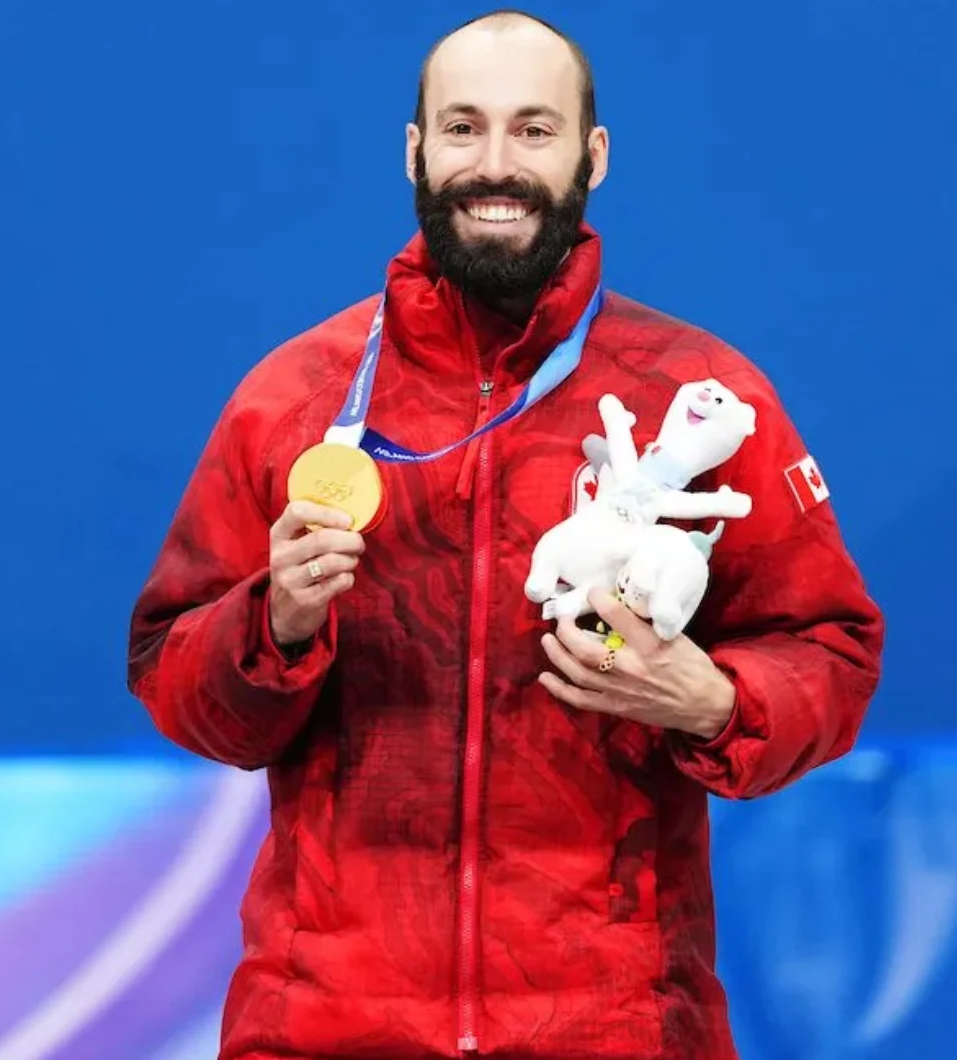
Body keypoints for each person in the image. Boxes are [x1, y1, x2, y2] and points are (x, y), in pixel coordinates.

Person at [125, 10, 882, 1060]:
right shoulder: (293, 398)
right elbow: (171, 671)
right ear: (414, 150)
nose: (494, 165)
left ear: (592, 155)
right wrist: (277, 623)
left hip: (615, 1028)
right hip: (326, 1027)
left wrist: (715, 701)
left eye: (533, 131)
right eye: (462, 128)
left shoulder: (697, 400)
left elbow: (833, 653)